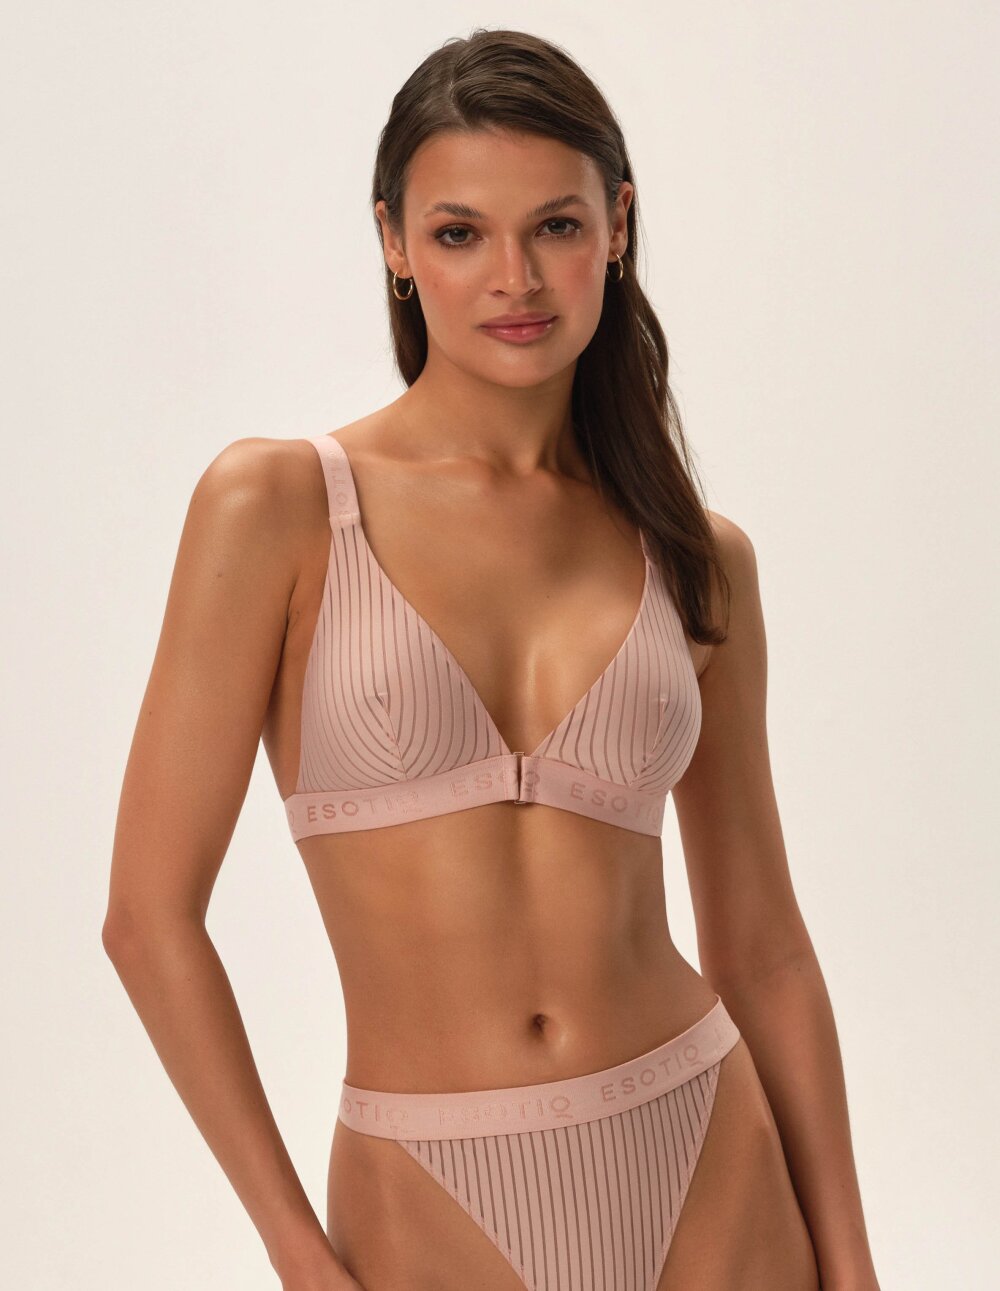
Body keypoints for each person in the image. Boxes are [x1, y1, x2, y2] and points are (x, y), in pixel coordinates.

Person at [103, 27, 881, 1291]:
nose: (514, 278)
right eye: (460, 232)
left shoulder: (695, 557)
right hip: (429, 1188)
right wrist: (297, 1252)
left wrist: (852, 1267)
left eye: (555, 226)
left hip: (708, 1157)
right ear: (394, 243)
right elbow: (147, 919)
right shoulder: (281, 506)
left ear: (616, 226)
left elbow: (764, 947)